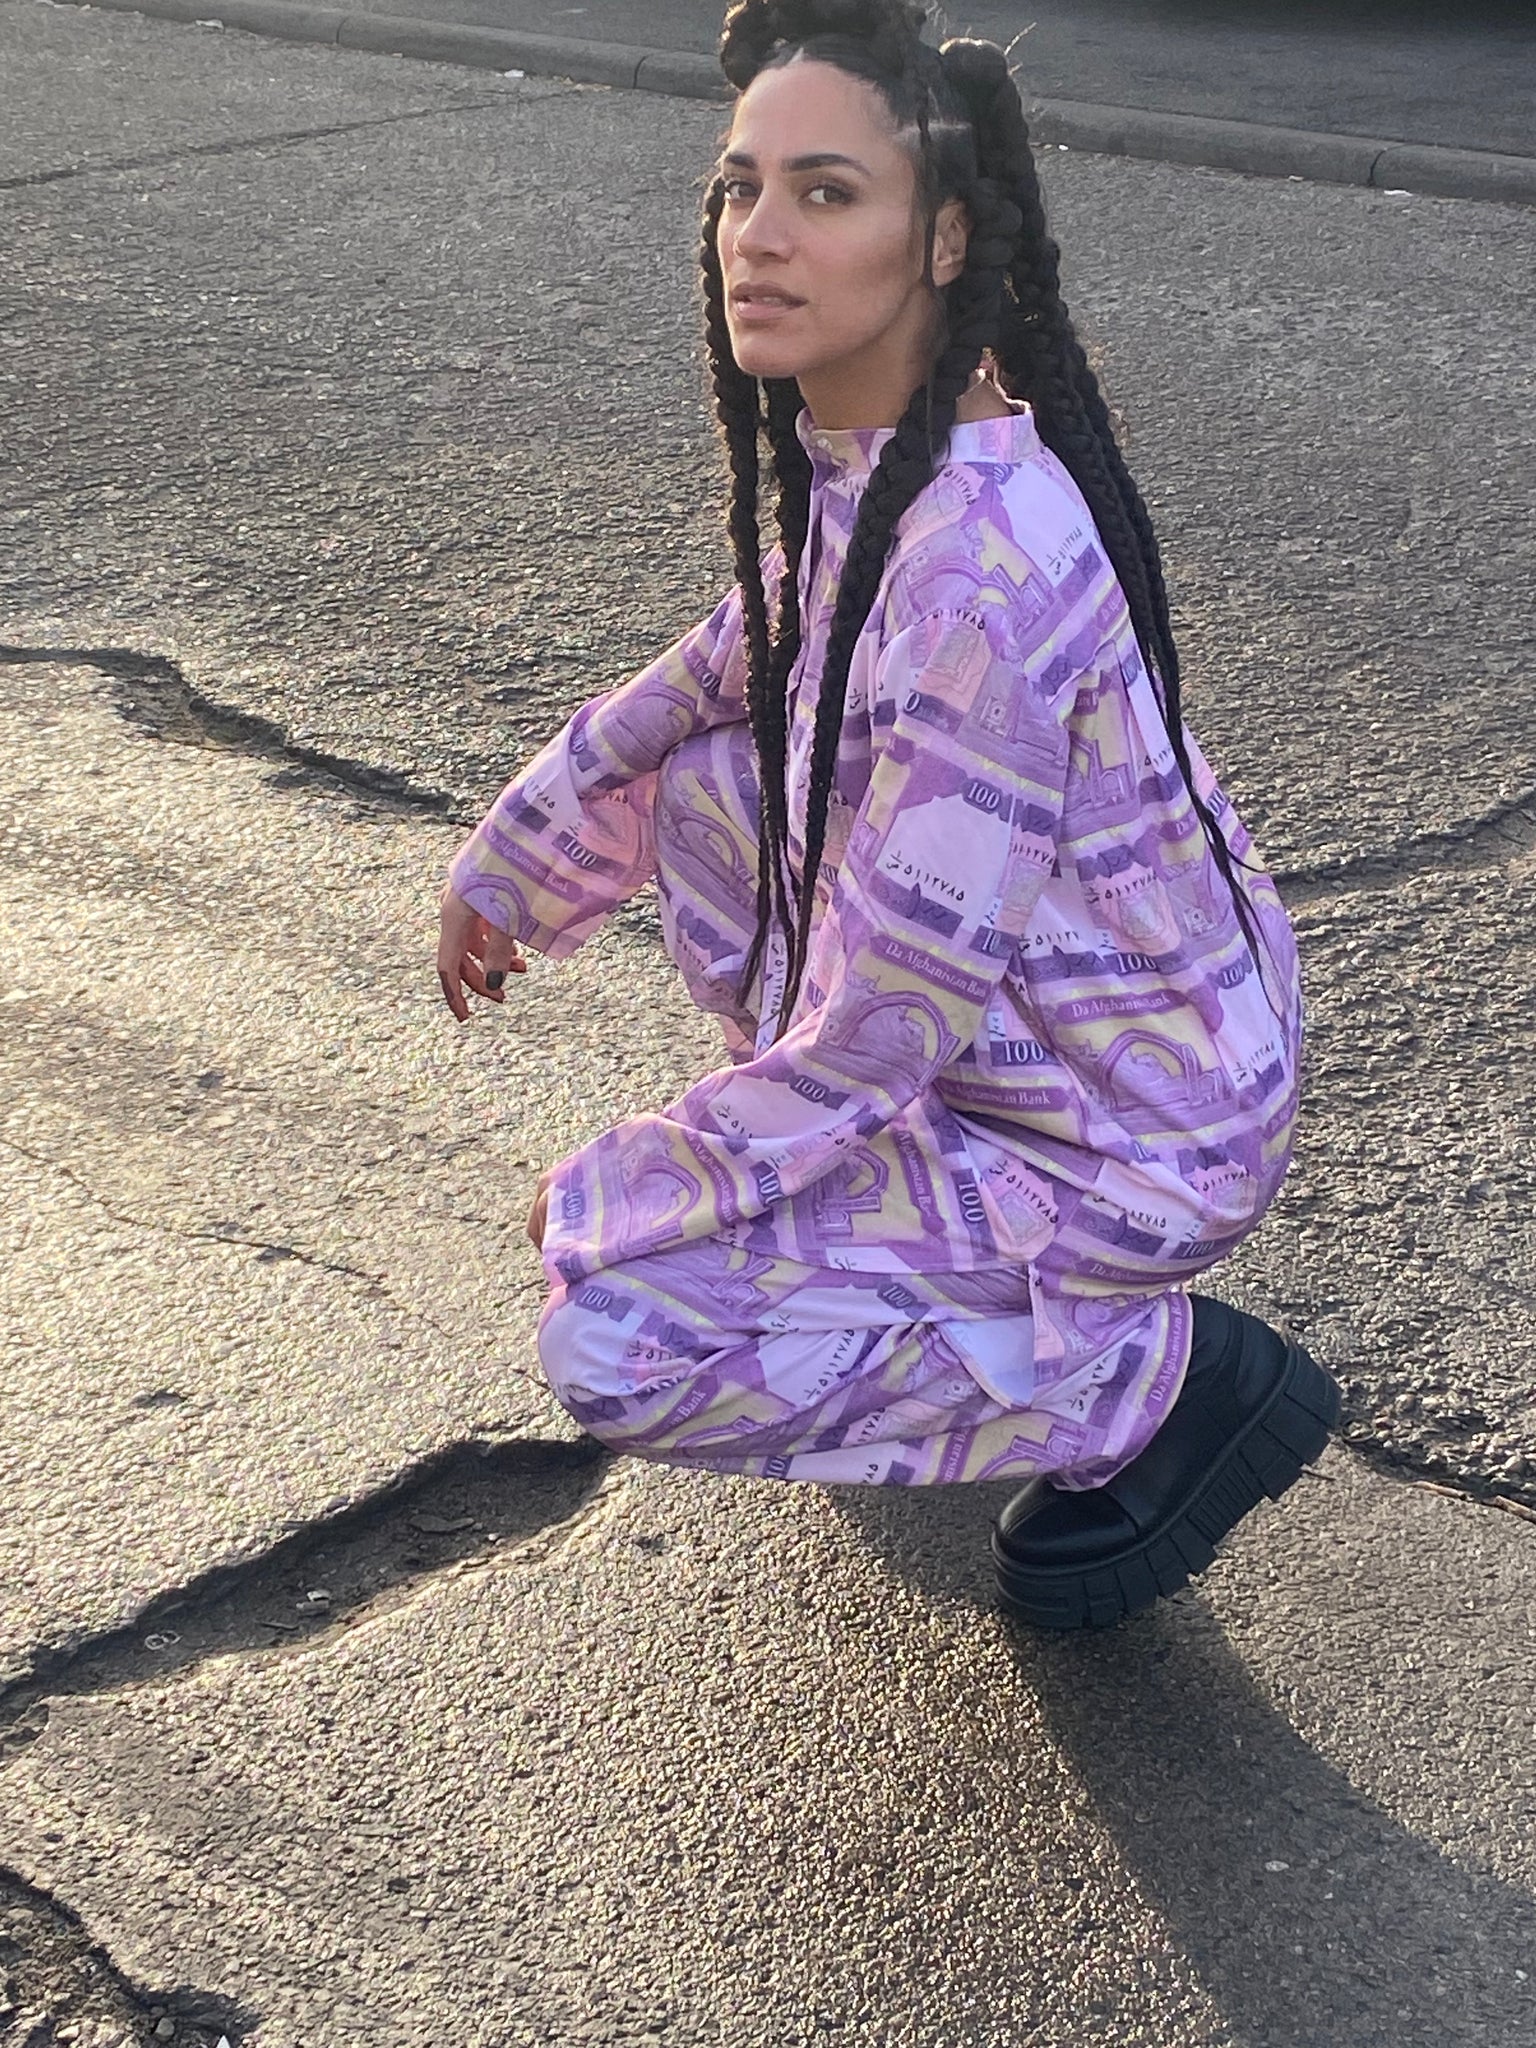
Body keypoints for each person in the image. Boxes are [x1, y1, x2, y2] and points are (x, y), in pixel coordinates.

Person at [435, 0, 1340, 1630]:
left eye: (825, 194)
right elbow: (743, 644)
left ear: (942, 241)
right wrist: (529, 832)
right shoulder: (895, 461)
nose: (757, 238)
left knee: (620, 1338)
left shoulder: (980, 579)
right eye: (738, 187)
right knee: (711, 776)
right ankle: (886, 1262)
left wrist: (643, 1185)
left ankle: (1152, 1386)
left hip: (1125, 1130)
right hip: (1049, 1046)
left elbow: (887, 1029)